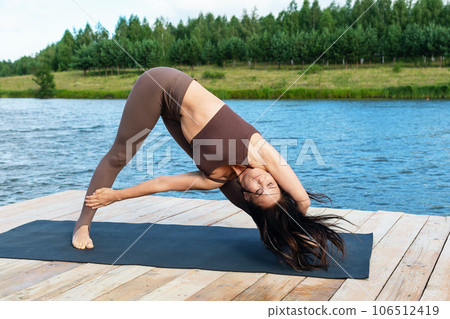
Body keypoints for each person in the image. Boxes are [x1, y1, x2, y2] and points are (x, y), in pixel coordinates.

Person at [72, 67, 349, 271]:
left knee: (267, 212)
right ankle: (82, 225)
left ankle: (274, 233)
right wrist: (297, 228)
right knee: (119, 155)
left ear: (249, 196)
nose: (263, 181)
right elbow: (301, 199)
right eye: (272, 184)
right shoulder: (262, 152)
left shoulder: (214, 179)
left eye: (259, 190)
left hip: (175, 116)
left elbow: (163, 183)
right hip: (160, 84)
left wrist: (117, 195)